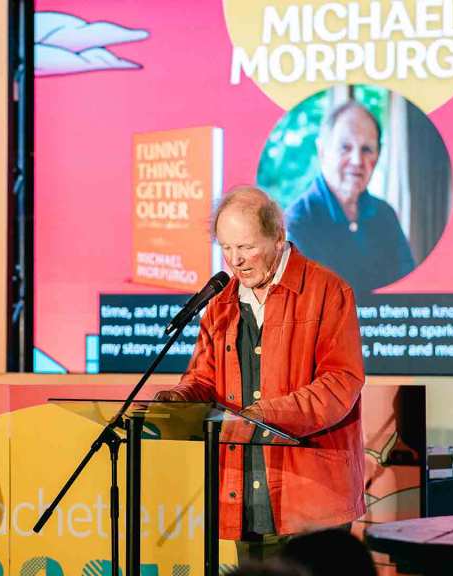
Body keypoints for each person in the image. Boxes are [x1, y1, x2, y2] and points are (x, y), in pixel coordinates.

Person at [155, 187, 366, 564]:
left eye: (246, 247)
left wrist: (266, 414)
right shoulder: (219, 304)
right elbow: (204, 379)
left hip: (312, 499)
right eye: (226, 247)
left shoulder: (327, 291)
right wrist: (180, 398)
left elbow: (339, 384)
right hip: (245, 496)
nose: (235, 260)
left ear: (278, 237)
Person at [285, 101, 415, 294]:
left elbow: (409, 288)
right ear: (322, 151)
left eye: (366, 149)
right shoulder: (296, 223)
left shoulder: (385, 215)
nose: (357, 161)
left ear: (378, 156)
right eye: (345, 147)